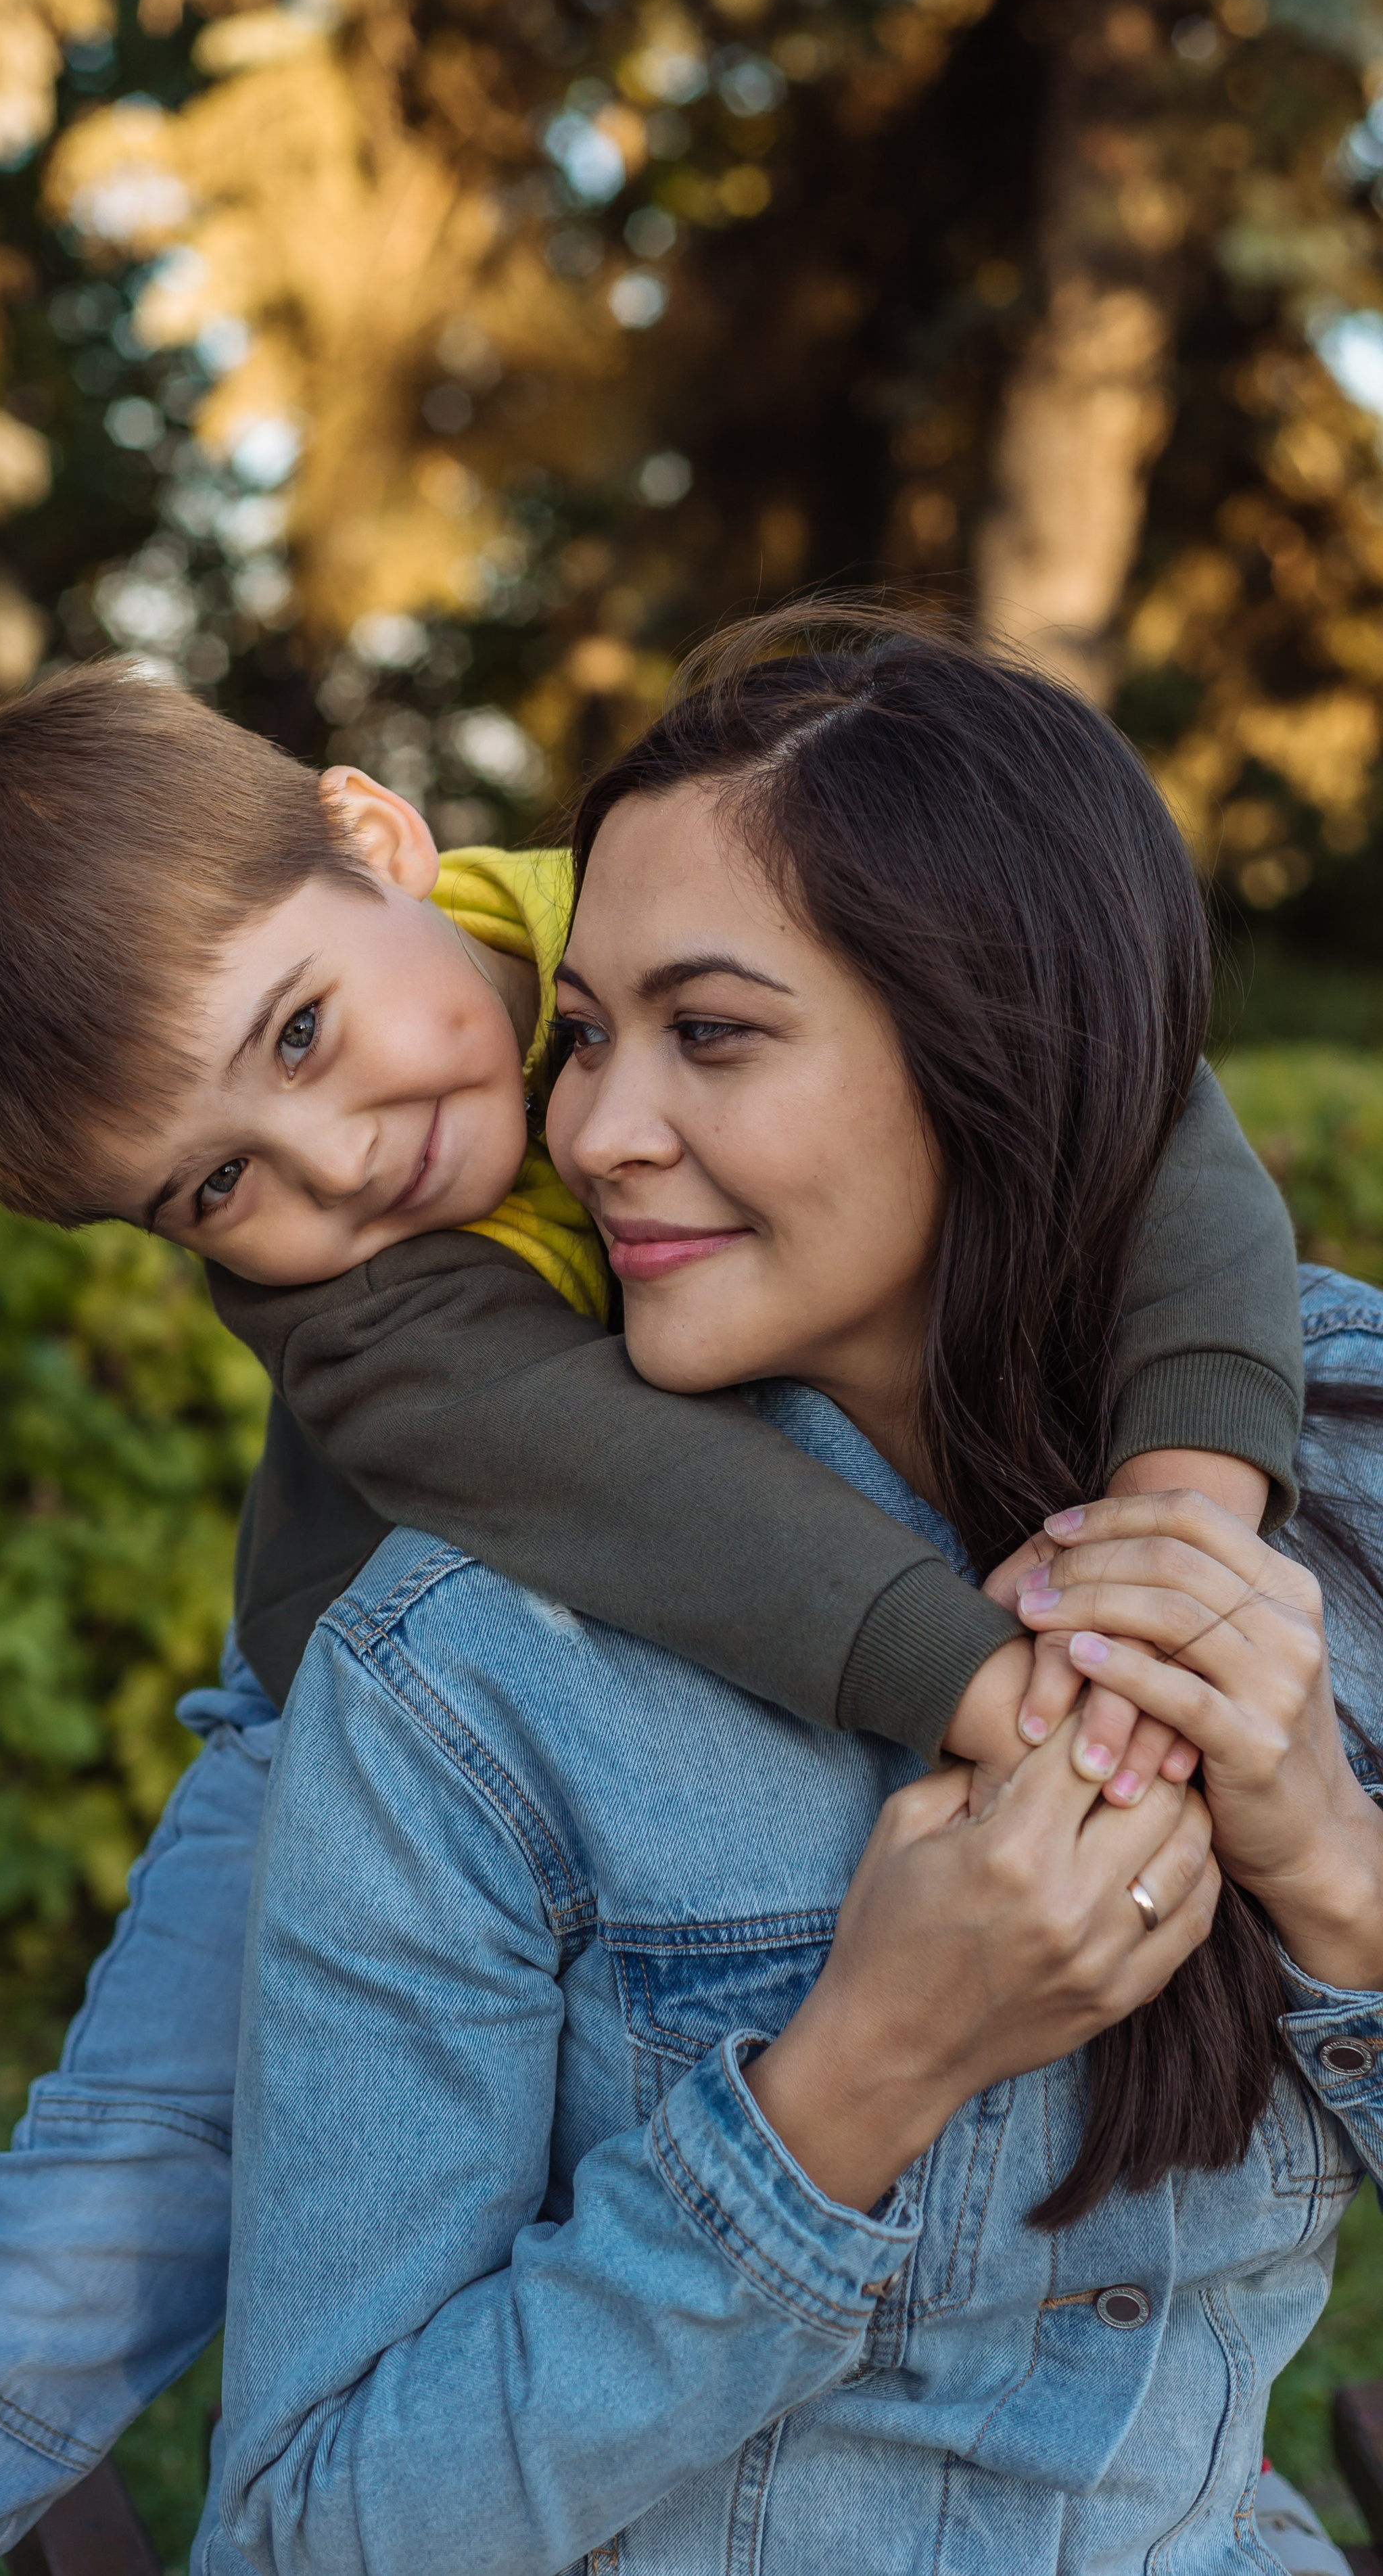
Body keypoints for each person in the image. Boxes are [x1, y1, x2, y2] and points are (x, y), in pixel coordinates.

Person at [0, 628, 1304, 2575]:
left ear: (377, 837)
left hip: (657, 1655)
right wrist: (1029, 1697)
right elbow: (639, 1497)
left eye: (301, 1035)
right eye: (212, 1188)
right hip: (361, 1683)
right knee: (137, 2171)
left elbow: (1131, 1102)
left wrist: (1184, 1520)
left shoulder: (654, 907)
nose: (340, 1167)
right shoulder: (363, 1324)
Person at [210, 605, 1383, 2575]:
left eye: (715, 1033)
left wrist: (1340, 1876)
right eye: (583, 1033)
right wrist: (853, 2082)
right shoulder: (470, 1665)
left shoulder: (1336, 1464)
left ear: (996, 1047)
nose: (588, 1131)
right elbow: (309, 2536)